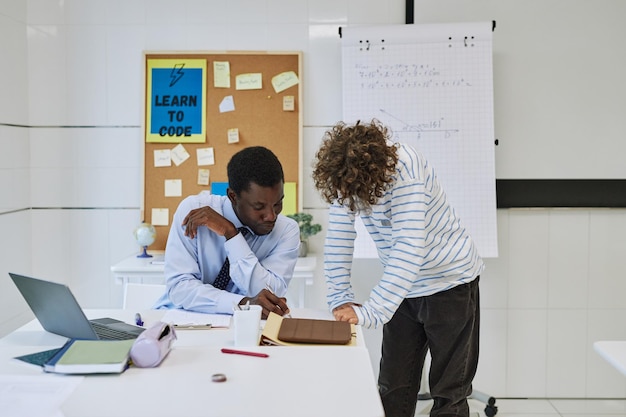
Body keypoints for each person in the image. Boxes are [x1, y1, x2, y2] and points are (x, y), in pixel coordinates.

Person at [311, 120, 484, 417]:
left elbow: (408, 247)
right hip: (404, 289)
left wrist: (369, 311)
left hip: (450, 283)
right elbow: (340, 236)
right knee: (393, 388)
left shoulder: (405, 168)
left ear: (374, 173)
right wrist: (340, 297)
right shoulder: (347, 176)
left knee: (448, 394)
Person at [154, 146, 300, 318]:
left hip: (243, 325)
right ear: (232, 196)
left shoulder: (286, 231)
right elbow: (179, 288)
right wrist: (241, 303)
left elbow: (270, 297)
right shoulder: (193, 210)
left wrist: (231, 235)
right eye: (259, 207)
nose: (271, 216)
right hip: (180, 319)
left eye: (277, 204)